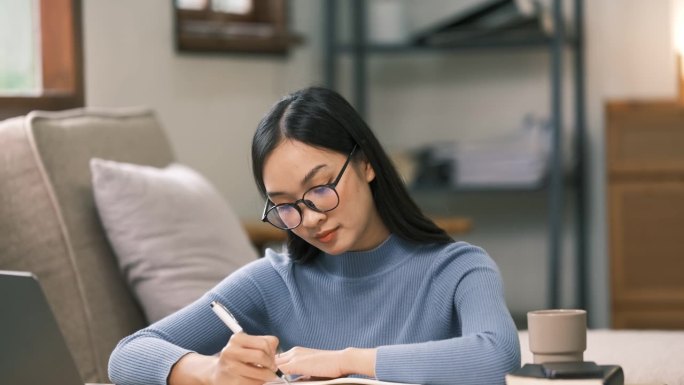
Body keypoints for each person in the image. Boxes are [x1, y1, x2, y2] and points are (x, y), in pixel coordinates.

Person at [108, 87, 520, 385]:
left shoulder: (458, 269)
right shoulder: (273, 282)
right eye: (286, 205)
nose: (308, 219)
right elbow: (128, 355)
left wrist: (344, 362)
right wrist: (210, 371)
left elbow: (497, 355)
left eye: (321, 189)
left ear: (366, 164)